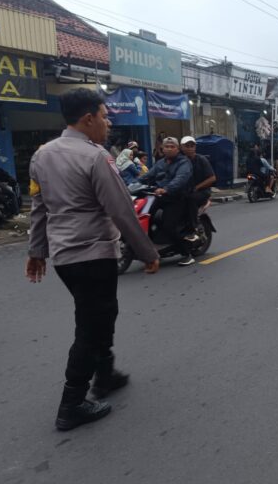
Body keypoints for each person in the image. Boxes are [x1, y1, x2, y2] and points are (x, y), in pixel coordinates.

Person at [25, 88, 159, 432]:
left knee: (101, 313)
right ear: (87, 119)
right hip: (94, 252)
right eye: (103, 115)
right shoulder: (97, 157)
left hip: (64, 258)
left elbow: (39, 208)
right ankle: (72, 404)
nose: (108, 121)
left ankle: (106, 373)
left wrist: (37, 250)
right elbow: (121, 209)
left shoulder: (41, 156)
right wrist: (147, 252)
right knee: (91, 325)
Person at [141, 137, 195, 266]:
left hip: (177, 198)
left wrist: (166, 189)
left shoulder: (184, 163)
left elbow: (180, 179)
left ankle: (186, 253)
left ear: (177, 149)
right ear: (162, 149)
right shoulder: (160, 163)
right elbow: (147, 176)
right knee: (143, 216)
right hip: (159, 197)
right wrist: (130, 185)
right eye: (167, 146)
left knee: (169, 225)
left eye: (172, 146)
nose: (169, 149)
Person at [180, 136, 216, 234]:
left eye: (192, 146)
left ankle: (194, 226)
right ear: (182, 147)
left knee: (190, 198)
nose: (190, 148)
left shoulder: (201, 160)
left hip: (201, 192)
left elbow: (212, 178)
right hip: (184, 191)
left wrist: (197, 187)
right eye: (187, 146)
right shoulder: (180, 161)